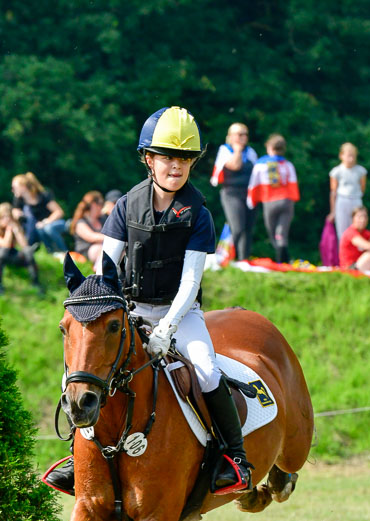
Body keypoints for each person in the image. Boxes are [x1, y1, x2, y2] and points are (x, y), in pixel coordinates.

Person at [46, 106, 253, 497]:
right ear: (149, 159)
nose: (176, 166)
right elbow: (105, 267)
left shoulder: (200, 214)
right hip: (131, 309)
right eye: (168, 157)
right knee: (82, 370)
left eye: (185, 159)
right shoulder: (127, 205)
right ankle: (79, 455)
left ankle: (234, 458)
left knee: (207, 370)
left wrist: (166, 330)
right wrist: (99, 309)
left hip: (180, 312)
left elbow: (190, 282)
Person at [247, 134, 299, 264]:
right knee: (282, 232)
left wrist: (251, 200)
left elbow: (253, 183)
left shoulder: (260, 165)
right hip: (286, 202)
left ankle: (281, 259)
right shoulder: (288, 165)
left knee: (271, 231)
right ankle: (284, 261)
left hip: (269, 202)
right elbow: (293, 183)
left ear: (269, 148)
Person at [210, 123, 257, 261]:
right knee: (237, 227)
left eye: (245, 134)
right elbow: (234, 166)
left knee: (248, 229)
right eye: (239, 134)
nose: (243, 137)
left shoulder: (251, 152)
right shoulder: (225, 150)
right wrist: (237, 150)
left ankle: (244, 260)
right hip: (231, 193)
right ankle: (226, 259)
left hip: (248, 194)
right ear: (230, 136)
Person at [0, 202, 42, 295]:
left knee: (28, 251)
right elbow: (5, 245)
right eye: (3, 217)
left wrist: (16, 230)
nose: (6, 220)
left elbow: (24, 245)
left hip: (10, 256)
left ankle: (36, 283)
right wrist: (8, 231)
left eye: (8, 217)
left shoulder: (14, 226)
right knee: (3, 251)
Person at [11, 173, 67, 257]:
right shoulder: (19, 199)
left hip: (50, 225)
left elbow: (59, 212)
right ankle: (47, 252)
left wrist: (46, 222)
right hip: (35, 229)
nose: (12, 190)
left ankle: (65, 252)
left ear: (23, 187)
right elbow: (15, 212)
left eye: (14, 187)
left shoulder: (43, 196)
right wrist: (17, 214)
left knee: (45, 228)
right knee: (35, 225)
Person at [328, 143, 367, 242]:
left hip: (356, 200)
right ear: (341, 155)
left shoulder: (361, 171)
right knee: (342, 232)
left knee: (357, 229)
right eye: (349, 155)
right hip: (342, 201)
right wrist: (333, 211)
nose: (351, 159)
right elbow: (333, 192)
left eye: (353, 156)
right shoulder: (336, 171)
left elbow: (362, 188)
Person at [69, 190, 105, 268]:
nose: (102, 207)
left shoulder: (102, 219)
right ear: (93, 205)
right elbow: (91, 237)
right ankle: (99, 271)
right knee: (100, 249)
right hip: (86, 252)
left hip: (101, 249)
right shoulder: (80, 223)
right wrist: (114, 237)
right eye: (101, 204)